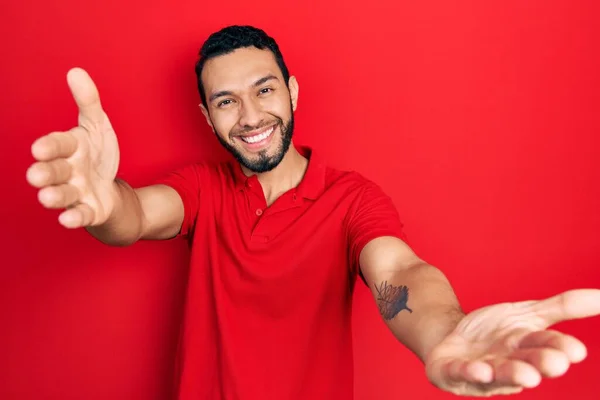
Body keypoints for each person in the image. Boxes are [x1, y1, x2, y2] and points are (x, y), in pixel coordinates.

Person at [25, 25, 599, 399]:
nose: (250, 116)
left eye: (265, 91)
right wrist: (102, 204)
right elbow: (135, 215)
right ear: (208, 117)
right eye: (226, 101)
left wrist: (442, 332)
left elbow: (397, 275)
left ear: (293, 93)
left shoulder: (352, 200)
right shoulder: (202, 189)